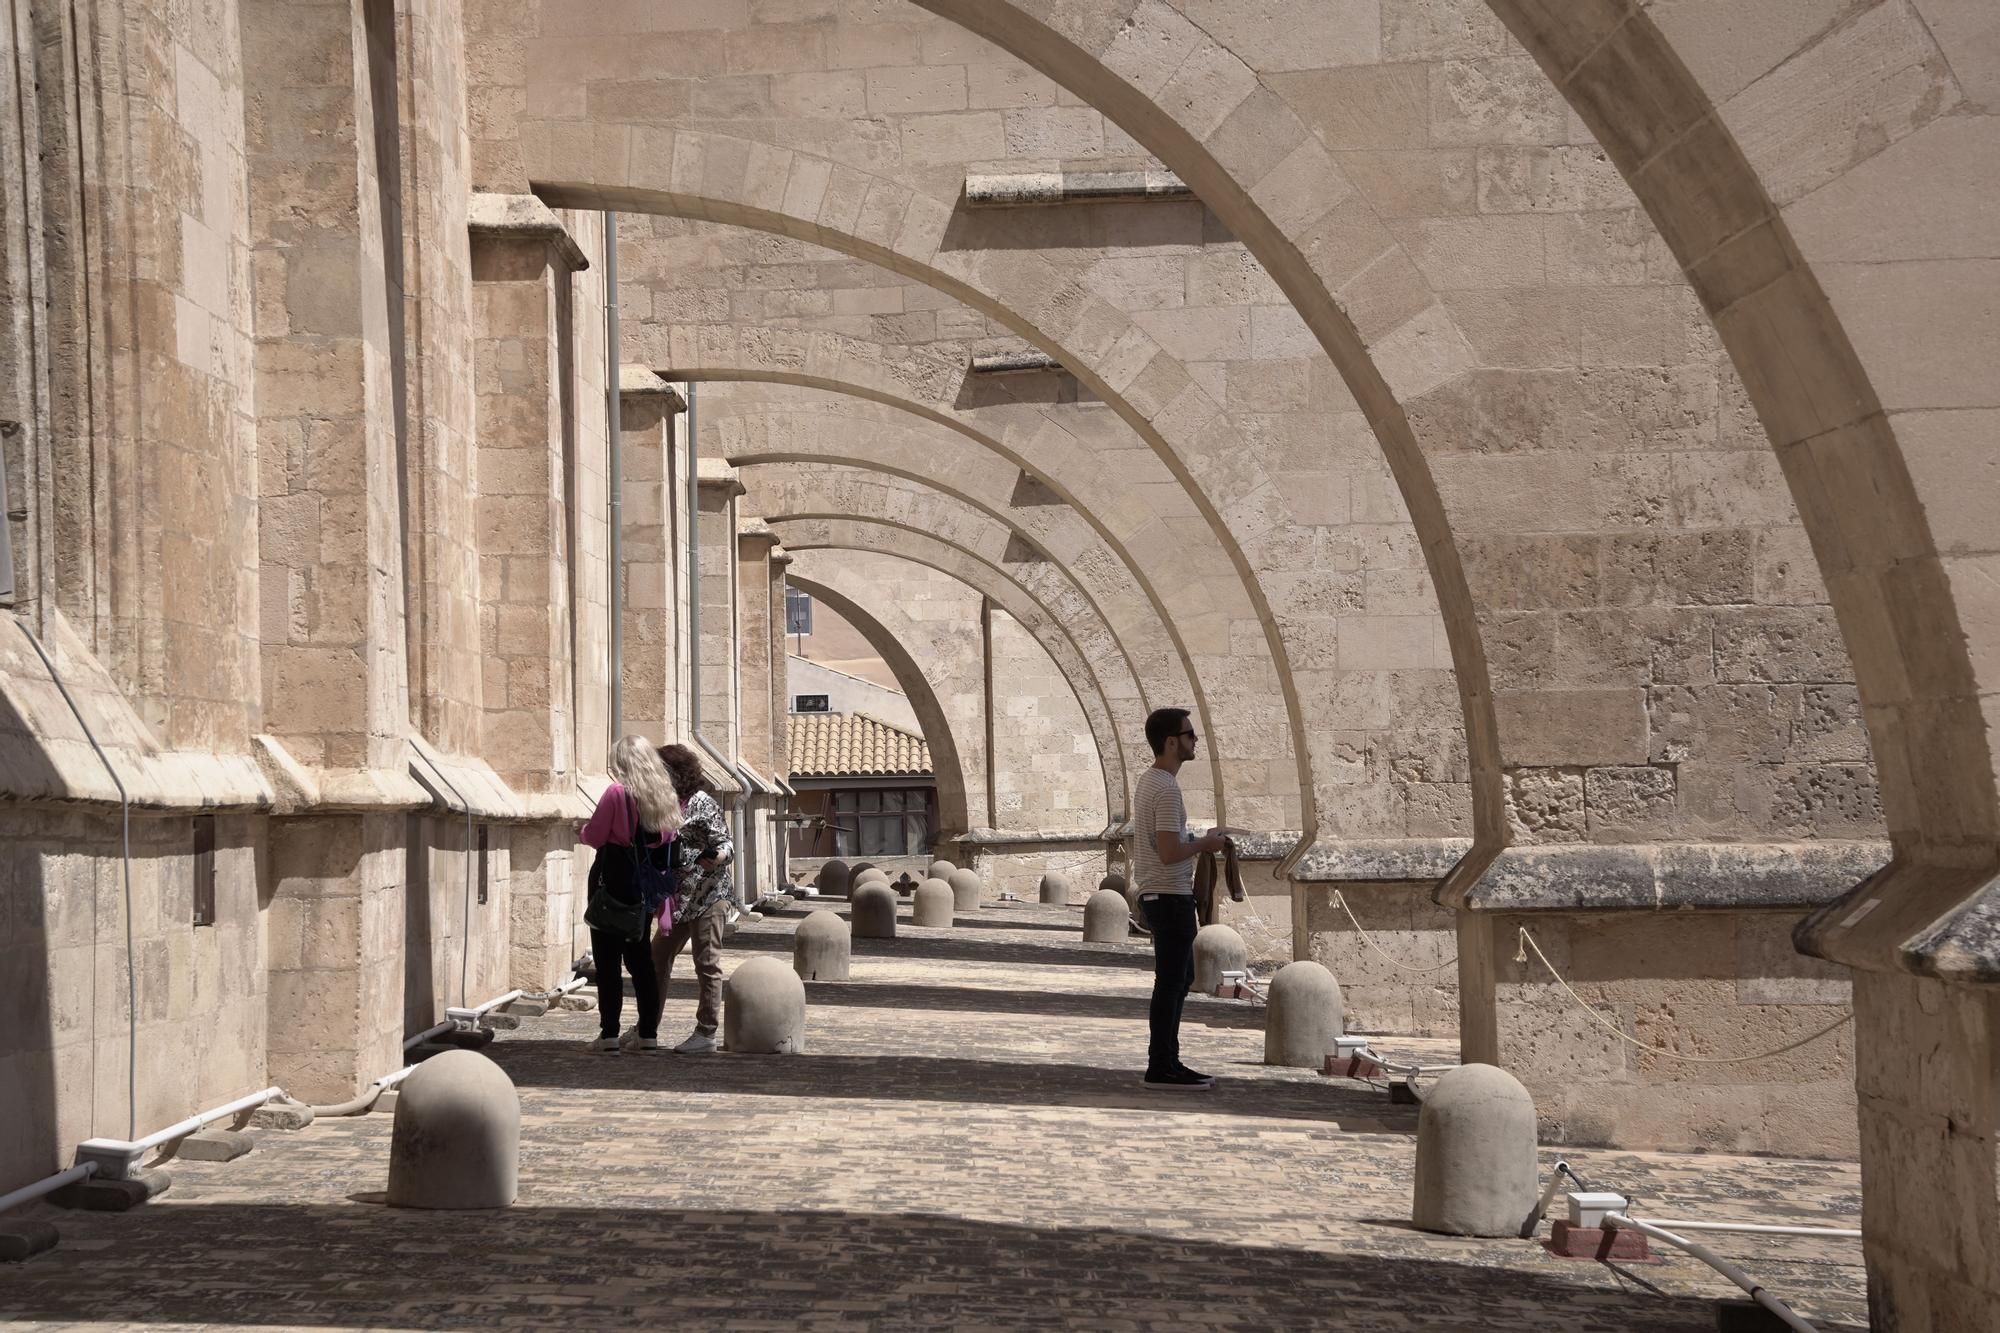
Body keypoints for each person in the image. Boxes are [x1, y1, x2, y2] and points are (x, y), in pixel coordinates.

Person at [1132, 707, 1227, 1090]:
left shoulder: (1150, 782)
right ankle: (1162, 1065)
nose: (1194, 741)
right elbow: (1169, 852)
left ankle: (1169, 1059)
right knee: (1172, 981)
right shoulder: (1167, 788)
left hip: (1161, 894)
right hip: (1169, 896)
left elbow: (1164, 844)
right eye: (1189, 735)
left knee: (1179, 977)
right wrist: (1206, 844)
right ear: (1171, 742)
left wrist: (1201, 839)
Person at [579, 736, 682, 1055]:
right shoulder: (666, 795)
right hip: (646, 887)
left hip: (612, 882)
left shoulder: (617, 793)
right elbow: (670, 838)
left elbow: (595, 836)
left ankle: (609, 1033)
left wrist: (581, 831)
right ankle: (648, 1033)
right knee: (641, 962)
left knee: (607, 962)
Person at [651, 742, 735, 1053]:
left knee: (707, 963)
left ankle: (706, 1033)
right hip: (678, 900)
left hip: (708, 896)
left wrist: (716, 856)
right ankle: (647, 1027)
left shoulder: (703, 804)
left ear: (676, 773)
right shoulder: (664, 803)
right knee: (656, 959)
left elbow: (727, 844)